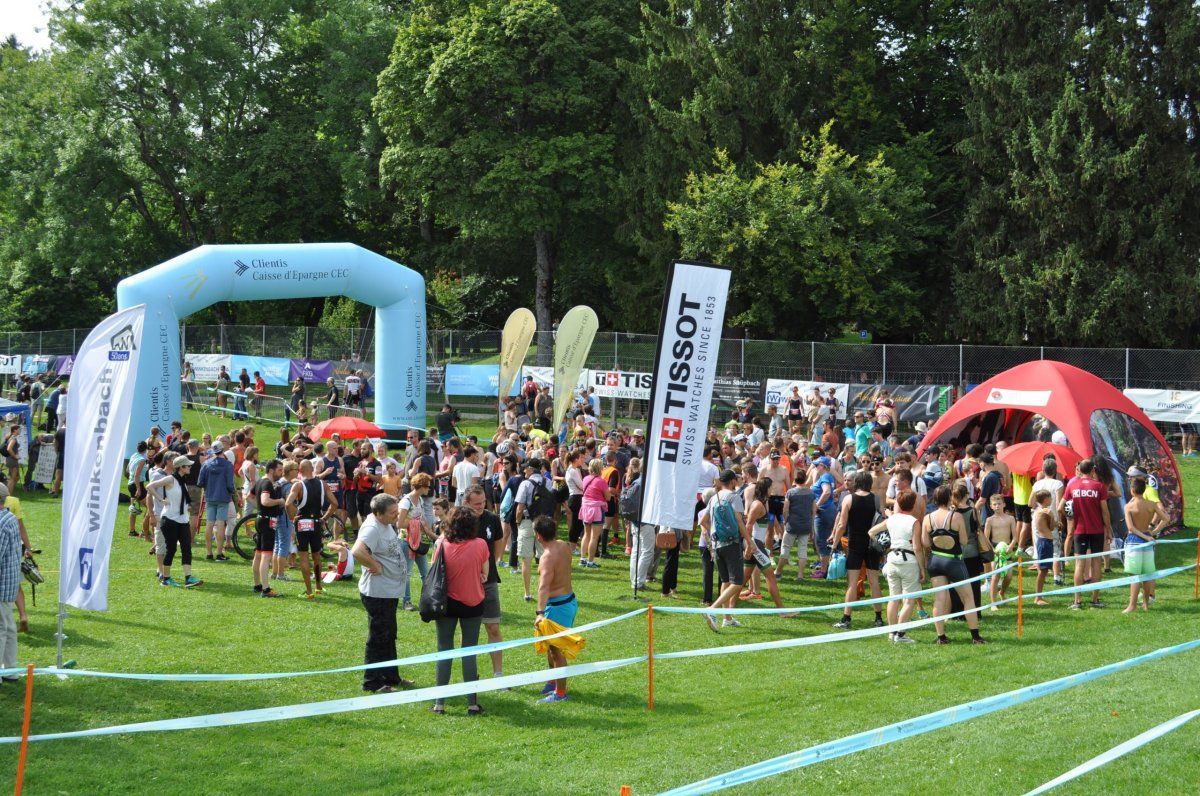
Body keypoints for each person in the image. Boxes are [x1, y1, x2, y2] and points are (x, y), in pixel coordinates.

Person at [351, 493, 415, 694]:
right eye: (392, 512)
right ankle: (372, 682)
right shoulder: (372, 528)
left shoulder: (384, 523)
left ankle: (391, 676)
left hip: (388, 592)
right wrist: (374, 565)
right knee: (378, 637)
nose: (397, 515)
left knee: (389, 635)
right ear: (378, 514)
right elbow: (357, 551)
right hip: (377, 593)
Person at [430, 507, 490, 715]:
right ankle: (472, 704)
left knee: (444, 650)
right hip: (473, 603)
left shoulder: (441, 543)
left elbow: (434, 569)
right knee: (469, 652)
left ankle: (439, 704)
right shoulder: (480, 544)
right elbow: (485, 574)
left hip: (446, 604)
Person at [922, 485, 987, 644]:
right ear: (950, 497)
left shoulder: (927, 518)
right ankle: (975, 636)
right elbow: (964, 541)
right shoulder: (955, 516)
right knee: (968, 598)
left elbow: (925, 542)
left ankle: (941, 637)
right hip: (953, 560)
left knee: (939, 599)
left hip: (935, 560)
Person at [829, 470, 885, 630]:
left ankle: (846, 618)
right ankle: (878, 618)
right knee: (874, 582)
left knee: (852, 583)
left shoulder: (849, 499)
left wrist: (834, 544)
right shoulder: (876, 499)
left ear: (857, 482)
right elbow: (882, 519)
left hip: (855, 543)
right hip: (873, 544)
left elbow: (842, 525)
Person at [869, 490, 924, 643]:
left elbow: (871, 532)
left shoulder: (891, 519)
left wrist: (883, 545)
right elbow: (917, 548)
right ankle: (900, 634)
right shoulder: (914, 522)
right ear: (913, 505)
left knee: (893, 598)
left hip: (892, 559)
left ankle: (891, 632)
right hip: (908, 561)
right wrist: (922, 568)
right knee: (908, 600)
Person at [699, 470, 750, 631]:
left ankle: (727, 619)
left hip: (717, 545)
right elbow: (740, 522)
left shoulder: (714, 497)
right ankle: (713, 609)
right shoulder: (734, 497)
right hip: (732, 544)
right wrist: (749, 542)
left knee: (725, 581)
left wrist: (714, 532)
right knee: (737, 582)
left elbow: (703, 521)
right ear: (733, 481)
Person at [464, 486, 507, 680]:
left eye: (483, 502)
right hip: (466, 584)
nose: (481, 506)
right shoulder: (460, 520)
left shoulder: (492, 519)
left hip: (489, 582)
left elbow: (498, 542)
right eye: (476, 504)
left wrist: (490, 566)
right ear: (467, 503)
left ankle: (498, 674)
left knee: (493, 628)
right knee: (469, 632)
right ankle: (470, 675)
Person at [534, 515, 577, 704]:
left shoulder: (546, 558)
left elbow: (543, 587)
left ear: (538, 535)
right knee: (550, 646)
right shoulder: (563, 545)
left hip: (558, 607)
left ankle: (560, 693)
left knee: (556, 651)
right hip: (568, 601)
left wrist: (540, 613)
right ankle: (553, 682)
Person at [284, 459, 338, 599]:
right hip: (316, 522)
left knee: (303, 556)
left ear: (300, 471)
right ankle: (318, 587)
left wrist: (293, 517)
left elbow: (288, 504)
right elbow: (335, 503)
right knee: (316, 556)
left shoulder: (298, 485)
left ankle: (309, 591)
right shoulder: (323, 484)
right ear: (313, 469)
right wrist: (324, 518)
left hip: (302, 522)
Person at [146, 456, 202, 588]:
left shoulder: (182, 480)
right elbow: (150, 486)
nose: (190, 467)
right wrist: (161, 499)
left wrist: (185, 506)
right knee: (171, 549)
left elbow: (179, 497)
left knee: (186, 548)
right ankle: (166, 578)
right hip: (170, 519)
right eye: (188, 466)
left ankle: (188, 578)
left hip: (183, 519)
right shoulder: (170, 479)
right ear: (181, 467)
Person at [1063, 458, 1110, 610]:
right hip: (1097, 530)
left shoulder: (1072, 486)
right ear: (1093, 470)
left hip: (1079, 530)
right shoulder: (1099, 486)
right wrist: (1108, 529)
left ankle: (1077, 601)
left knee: (1079, 564)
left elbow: (1061, 507)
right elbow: (1105, 511)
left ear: (1079, 470)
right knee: (1096, 563)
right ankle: (1094, 600)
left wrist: (1070, 521)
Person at [1123, 478, 1169, 613]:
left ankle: (1132, 606)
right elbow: (1166, 518)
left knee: (1135, 575)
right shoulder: (1151, 504)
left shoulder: (1129, 507)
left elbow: (1131, 528)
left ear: (1132, 490)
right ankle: (1145, 604)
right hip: (1148, 542)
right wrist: (1153, 532)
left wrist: (1147, 536)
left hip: (1134, 542)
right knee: (1147, 575)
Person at [397, 474, 435, 611]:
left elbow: (422, 518)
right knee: (407, 573)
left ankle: (429, 600)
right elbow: (399, 523)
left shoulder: (419, 500)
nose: (429, 489)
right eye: (428, 486)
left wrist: (430, 532)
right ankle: (406, 601)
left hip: (418, 540)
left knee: (426, 573)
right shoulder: (406, 501)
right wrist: (416, 524)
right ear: (421, 486)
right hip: (406, 541)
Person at [251, 459, 285, 598]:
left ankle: (257, 585)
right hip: (267, 522)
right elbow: (265, 501)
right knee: (266, 556)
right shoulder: (267, 483)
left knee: (258, 554)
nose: (281, 473)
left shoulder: (259, 481)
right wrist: (279, 501)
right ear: (271, 470)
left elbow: (249, 496)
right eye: (279, 470)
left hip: (260, 519)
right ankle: (266, 589)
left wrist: (259, 509)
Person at [197, 440, 235, 561]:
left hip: (210, 496)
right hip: (223, 497)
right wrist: (233, 492)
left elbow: (200, 482)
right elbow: (230, 484)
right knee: (220, 524)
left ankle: (209, 553)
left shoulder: (206, 464)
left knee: (210, 524)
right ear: (222, 450)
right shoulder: (228, 465)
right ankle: (219, 553)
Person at [0, 485, 21, 677]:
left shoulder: (1, 523)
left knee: (2, 628)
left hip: (2, 584)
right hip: (9, 582)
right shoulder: (10, 518)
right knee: (8, 627)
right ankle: (11, 670)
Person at [984, 494, 1016, 607]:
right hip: (995, 549)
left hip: (1006, 548)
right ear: (991, 506)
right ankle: (993, 603)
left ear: (1004, 504)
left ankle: (1002, 592)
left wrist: (1011, 546)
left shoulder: (1010, 519)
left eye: (999, 504)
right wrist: (992, 549)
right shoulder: (989, 520)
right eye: (994, 504)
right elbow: (986, 538)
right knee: (996, 576)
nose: (997, 506)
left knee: (1009, 576)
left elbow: (1015, 537)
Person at [577, 459, 607, 569]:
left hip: (586, 508)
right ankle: (590, 562)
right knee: (594, 537)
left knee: (586, 534)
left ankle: (582, 559)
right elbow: (608, 497)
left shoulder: (585, 479)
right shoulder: (601, 481)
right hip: (597, 509)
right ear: (600, 468)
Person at [1031, 489, 1054, 606]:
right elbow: (1052, 527)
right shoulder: (1043, 512)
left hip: (1046, 541)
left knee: (1044, 571)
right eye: (1050, 497)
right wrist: (1052, 516)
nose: (1052, 499)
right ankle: (1038, 597)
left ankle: (1039, 595)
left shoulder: (1042, 511)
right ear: (1045, 499)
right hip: (1044, 542)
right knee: (1042, 571)